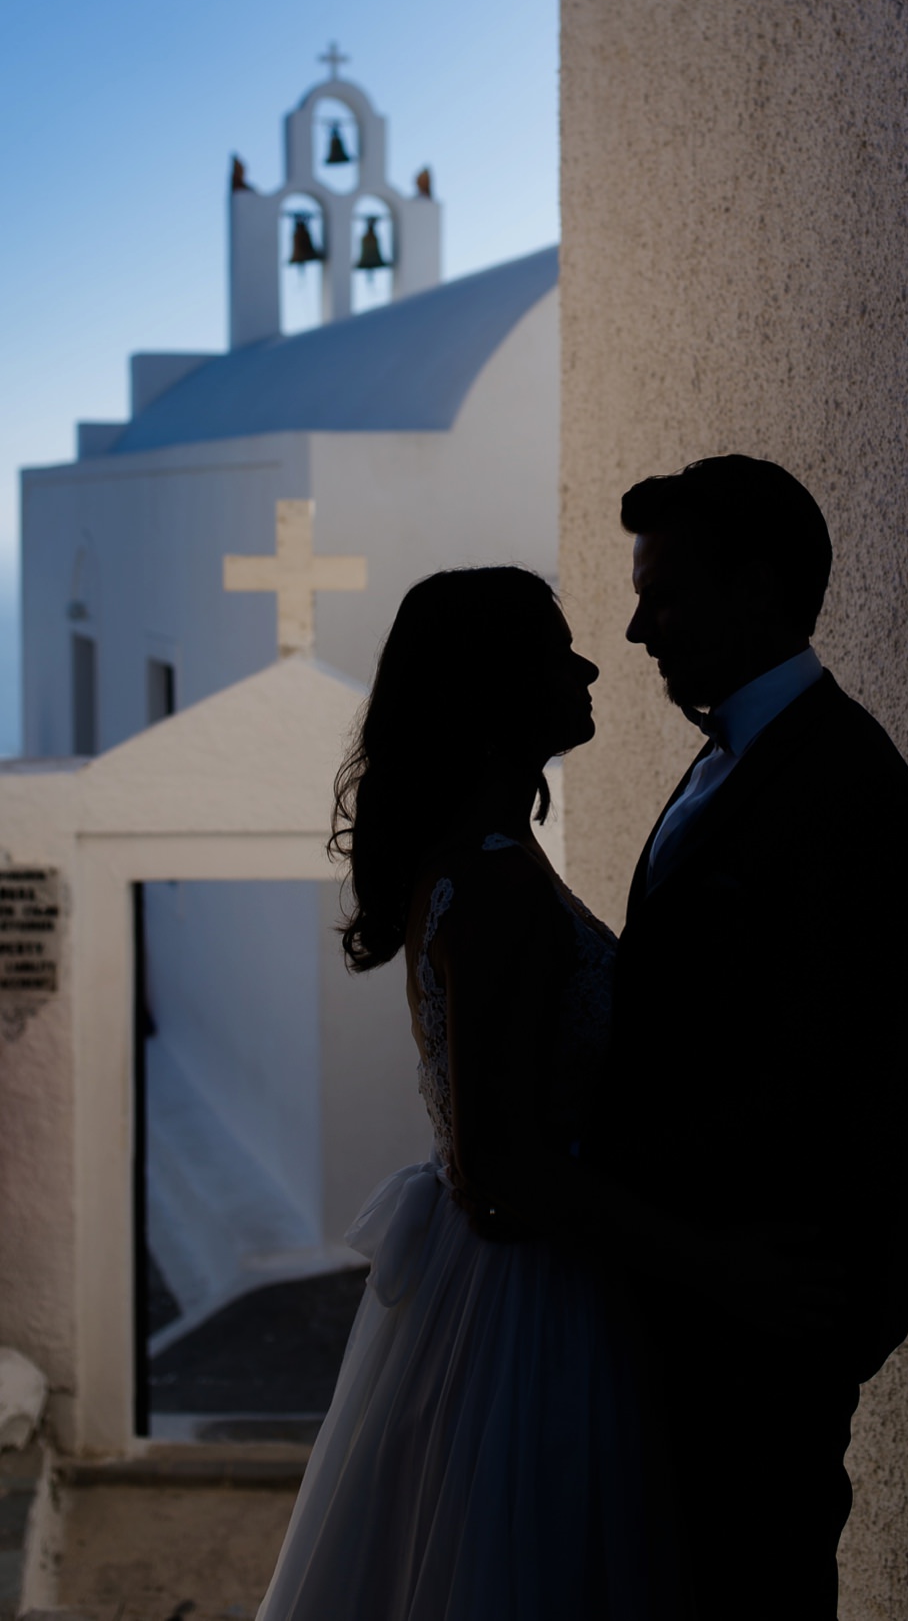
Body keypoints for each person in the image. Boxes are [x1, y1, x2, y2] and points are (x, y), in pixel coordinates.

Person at [260, 568, 661, 1619]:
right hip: (533, 1301)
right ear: (493, 690)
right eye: (555, 650)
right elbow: (501, 1167)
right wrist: (698, 1249)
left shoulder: (471, 865)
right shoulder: (494, 883)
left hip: (487, 1285)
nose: (586, 665)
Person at [592, 456, 908, 1615]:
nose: (637, 628)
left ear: (757, 587)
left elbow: (819, 1068)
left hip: (766, 1302)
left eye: (668, 595)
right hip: (696, 1289)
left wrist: (601, 1187)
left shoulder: (844, 785)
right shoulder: (727, 751)